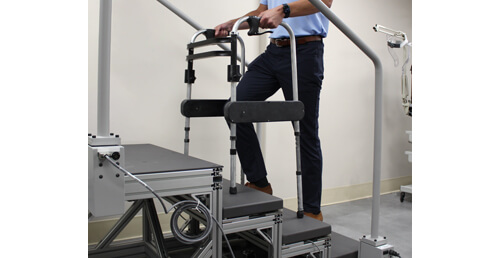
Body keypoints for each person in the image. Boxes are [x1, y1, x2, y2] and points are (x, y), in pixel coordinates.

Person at [215, 0, 332, 221]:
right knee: (235, 108)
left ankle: (311, 210)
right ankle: (260, 183)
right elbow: (261, 13)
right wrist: (233, 23)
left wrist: (284, 10)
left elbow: (324, 3)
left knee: (305, 131)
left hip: (305, 51)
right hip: (274, 52)